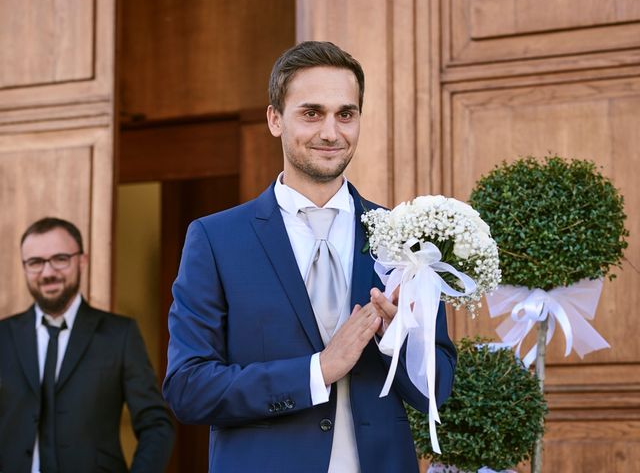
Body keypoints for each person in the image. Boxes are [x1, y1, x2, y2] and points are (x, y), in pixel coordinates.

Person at [163, 41, 456, 473]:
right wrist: (316, 371)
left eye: (346, 114)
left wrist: (401, 340)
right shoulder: (215, 239)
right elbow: (188, 388)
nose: (331, 132)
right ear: (275, 119)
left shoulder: (402, 236)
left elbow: (439, 387)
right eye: (311, 112)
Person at [0, 218, 175, 473]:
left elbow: (156, 424)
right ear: (24, 267)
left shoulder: (120, 334)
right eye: (35, 262)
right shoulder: (2, 336)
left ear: (82, 260)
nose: (48, 273)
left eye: (60, 259)